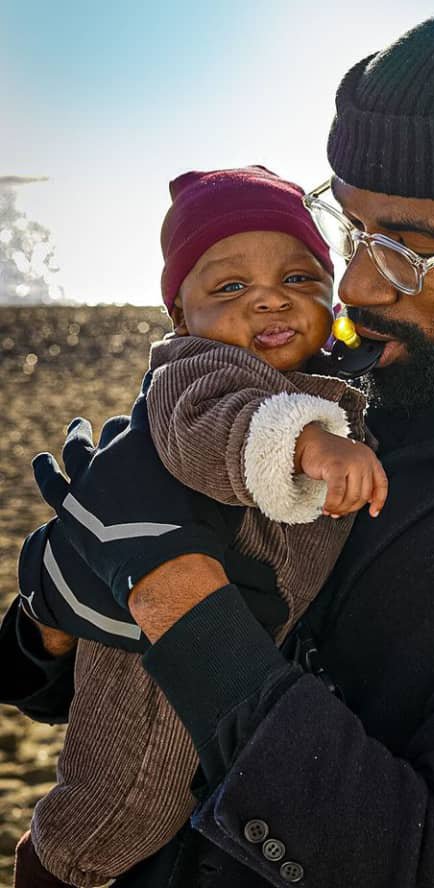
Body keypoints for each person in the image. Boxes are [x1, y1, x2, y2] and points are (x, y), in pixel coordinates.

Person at [3, 3, 434, 886]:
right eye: (350, 227)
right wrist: (58, 606)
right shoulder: (351, 356)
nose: (354, 282)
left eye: (411, 249)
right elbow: (81, 688)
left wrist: (170, 588)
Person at [10, 166, 386, 887]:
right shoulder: (198, 370)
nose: (272, 298)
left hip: (232, 631)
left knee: (176, 793)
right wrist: (310, 444)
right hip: (149, 652)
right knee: (123, 796)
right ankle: (53, 868)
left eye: (302, 279)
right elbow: (212, 431)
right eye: (230, 288)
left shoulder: (328, 375)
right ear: (180, 316)